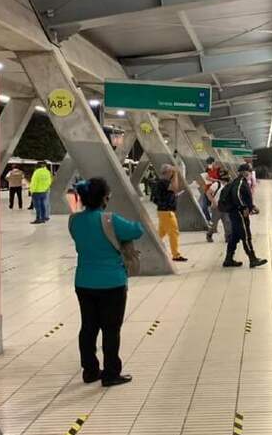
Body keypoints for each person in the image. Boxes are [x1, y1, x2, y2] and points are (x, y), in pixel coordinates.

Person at [68, 177, 143, 387]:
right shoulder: (110, 220)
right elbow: (137, 230)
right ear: (104, 198)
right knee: (111, 329)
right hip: (112, 283)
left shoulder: (74, 221)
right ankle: (111, 373)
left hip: (84, 281)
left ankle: (90, 371)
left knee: (88, 327)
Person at [222, 163, 267, 268]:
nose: (250, 173)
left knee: (235, 237)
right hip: (239, 214)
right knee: (246, 236)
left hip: (236, 213)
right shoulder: (240, 182)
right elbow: (237, 195)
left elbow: (243, 197)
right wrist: (243, 207)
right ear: (244, 172)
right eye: (249, 171)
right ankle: (253, 259)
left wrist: (252, 206)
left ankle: (228, 259)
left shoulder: (240, 182)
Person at [153, 164, 187, 262]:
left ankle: (151, 247)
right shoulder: (163, 182)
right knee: (174, 233)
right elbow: (175, 187)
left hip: (163, 211)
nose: (172, 174)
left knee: (161, 233)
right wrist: (176, 173)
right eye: (171, 172)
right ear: (168, 172)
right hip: (166, 212)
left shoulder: (161, 182)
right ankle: (176, 255)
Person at [205, 172, 232, 243]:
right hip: (216, 207)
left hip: (226, 207)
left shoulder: (229, 185)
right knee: (214, 223)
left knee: (228, 222)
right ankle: (209, 234)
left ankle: (228, 237)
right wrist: (213, 201)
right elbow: (208, 193)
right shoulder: (217, 184)